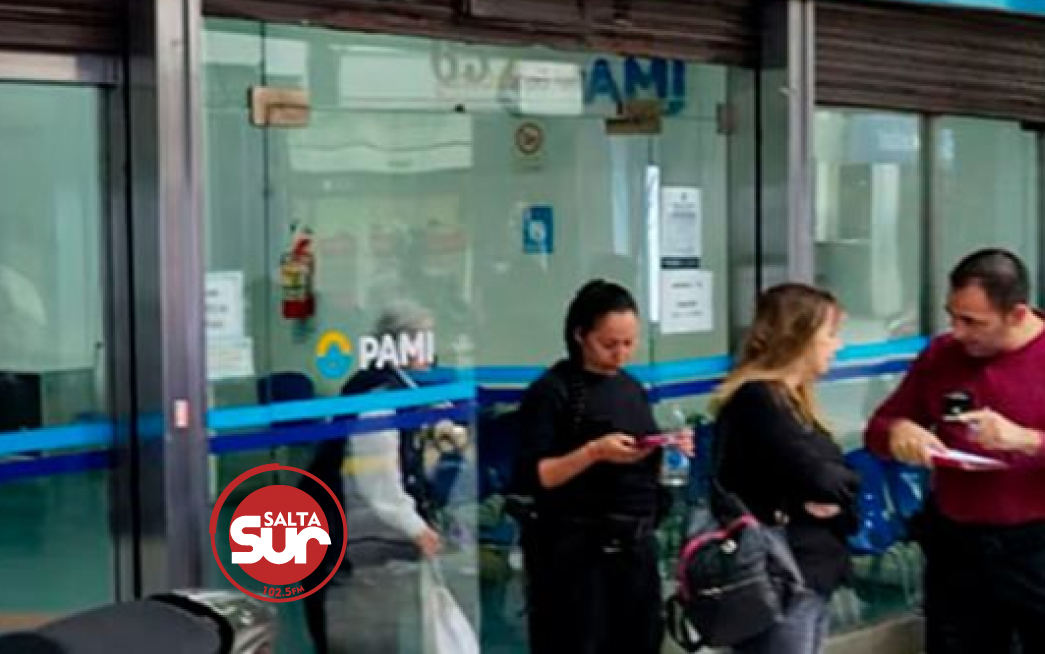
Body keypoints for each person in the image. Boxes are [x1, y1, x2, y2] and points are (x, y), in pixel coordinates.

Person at [866, 248, 1045, 654]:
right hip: (961, 542)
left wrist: (1030, 441)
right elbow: (880, 428)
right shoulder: (942, 355)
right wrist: (901, 431)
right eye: (953, 317)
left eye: (974, 322)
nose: (959, 332)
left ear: (1017, 314)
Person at [516, 279, 690, 654]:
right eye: (609, 344)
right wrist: (593, 452)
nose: (620, 354)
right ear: (581, 335)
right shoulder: (554, 391)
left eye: (629, 343)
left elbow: (647, 453)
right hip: (577, 551)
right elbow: (537, 475)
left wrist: (667, 448)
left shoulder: (631, 388)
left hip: (635, 543)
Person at [305, 303, 475, 654]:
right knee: (359, 636)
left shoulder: (400, 390)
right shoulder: (378, 398)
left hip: (364, 541)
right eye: (424, 340)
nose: (430, 351)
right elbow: (377, 482)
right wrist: (416, 529)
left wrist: (441, 429)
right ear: (401, 345)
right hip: (344, 540)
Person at [711, 283, 859, 654]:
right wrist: (826, 489)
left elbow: (838, 478)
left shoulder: (795, 402)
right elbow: (821, 478)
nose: (837, 345)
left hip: (810, 570)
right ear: (800, 338)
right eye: (830, 334)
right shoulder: (759, 399)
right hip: (782, 575)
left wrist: (836, 487)